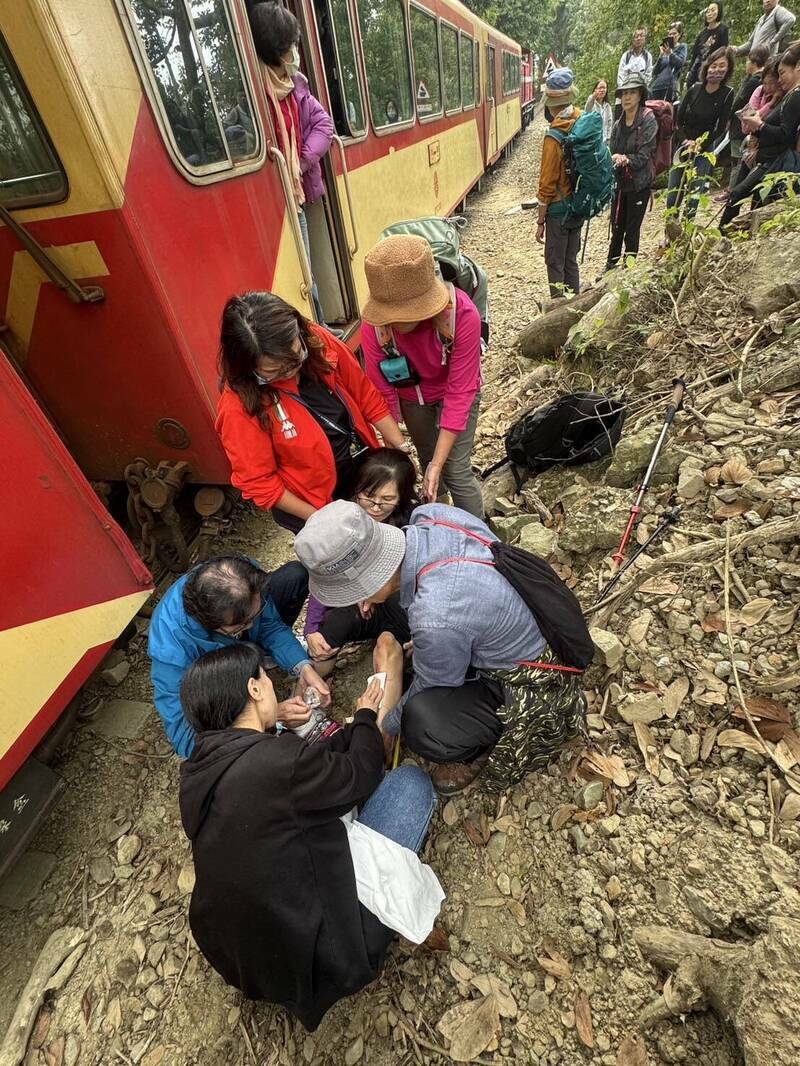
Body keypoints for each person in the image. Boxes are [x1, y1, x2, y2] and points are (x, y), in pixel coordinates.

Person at [179, 639, 440, 1030]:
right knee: (411, 785)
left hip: (246, 961)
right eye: (265, 679)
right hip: (323, 953)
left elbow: (302, 773)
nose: (269, 686)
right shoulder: (275, 762)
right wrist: (366, 717)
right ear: (254, 689)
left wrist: (289, 727)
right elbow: (359, 774)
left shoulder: (196, 775)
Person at [295, 501, 588, 796]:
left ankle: (478, 748)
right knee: (393, 620)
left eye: (355, 591)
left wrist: (384, 724)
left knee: (422, 722)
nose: (356, 599)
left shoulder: (437, 615)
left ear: (376, 578)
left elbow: (434, 681)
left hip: (531, 675)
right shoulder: (431, 516)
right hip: (514, 613)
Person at [216, 291, 405, 533]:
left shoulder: (315, 341)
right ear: (247, 366)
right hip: (312, 503)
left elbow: (365, 394)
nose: (290, 372)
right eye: (274, 370)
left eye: (296, 358)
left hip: (359, 471)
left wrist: (400, 451)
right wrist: (322, 518)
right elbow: (260, 482)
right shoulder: (238, 406)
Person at [148, 555, 331, 758]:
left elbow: (269, 625)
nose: (252, 626)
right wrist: (266, 716)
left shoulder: (243, 579)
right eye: (241, 625)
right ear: (211, 625)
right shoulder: (172, 649)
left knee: (294, 575)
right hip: (216, 667)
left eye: (255, 614)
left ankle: (265, 656)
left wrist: (302, 666)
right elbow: (186, 738)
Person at [360, 235, 484, 518]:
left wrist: (438, 464)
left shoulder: (462, 315)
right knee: (426, 459)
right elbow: (380, 388)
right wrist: (398, 446)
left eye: (408, 313)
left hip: (454, 393)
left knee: (454, 469)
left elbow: (460, 391)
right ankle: (440, 524)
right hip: (411, 397)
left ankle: (483, 539)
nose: (398, 322)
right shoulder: (375, 325)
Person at [249, 2, 335, 328]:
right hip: (271, 196)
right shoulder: (251, 88)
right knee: (293, 276)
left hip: (293, 193)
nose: (296, 52)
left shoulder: (295, 87)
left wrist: (301, 161)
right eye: (291, 45)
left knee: (305, 271)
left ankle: (320, 330)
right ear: (275, 49)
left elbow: (324, 126)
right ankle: (316, 333)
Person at [305, 448, 418, 672]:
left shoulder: (415, 525)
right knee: (331, 629)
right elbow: (325, 576)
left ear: (402, 496)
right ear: (355, 489)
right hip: (365, 610)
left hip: (407, 609)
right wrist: (311, 629)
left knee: (388, 646)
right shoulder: (343, 523)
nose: (375, 507)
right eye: (368, 496)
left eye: (387, 499)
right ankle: (312, 692)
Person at [721, 41, 800, 224]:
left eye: (782, 73)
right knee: (748, 197)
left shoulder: (795, 97)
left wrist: (760, 125)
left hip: (775, 162)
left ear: (797, 67)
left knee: (741, 195)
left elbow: (785, 134)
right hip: (766, 157)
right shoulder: (789, 96)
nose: (780, 80)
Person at [665, 47, 735, 227]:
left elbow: (720, 127)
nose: (717, 69)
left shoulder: (727, 93)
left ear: (728, 69)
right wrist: (685, 140)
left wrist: (700, 143)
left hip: (705, 148)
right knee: (674, 192)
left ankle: (687, 231)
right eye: (714, 65)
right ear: (707, 66)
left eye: (722, 66)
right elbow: (678, 119)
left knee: (695, 193)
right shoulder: (695, 88)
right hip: (683, 144)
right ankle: (669, 231)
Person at [536, 68, 583, 299]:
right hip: (579, 205)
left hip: (558, 210)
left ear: (552, 104)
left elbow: (546, 184)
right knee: (571, 261)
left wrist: (540, 220)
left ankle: (558, 315)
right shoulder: (581, 121)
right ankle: (576, 309)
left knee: (555, 263)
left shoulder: (554, 137)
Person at [604, 73, 658, 271]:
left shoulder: (648, 120)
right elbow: (612, 147)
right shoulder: (619, 123)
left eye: (632, 93)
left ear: (640, 95)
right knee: (617, 224)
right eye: (624, 93)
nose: (627, 97)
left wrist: (626, 159)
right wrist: (615, 157)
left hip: (639, 183)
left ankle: (629, 268)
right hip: (621, 182)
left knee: (632, 228)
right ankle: (610, 266)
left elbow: (645, 153)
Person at [727, 44, 772, 169]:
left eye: (748, 60)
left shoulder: (753, 81)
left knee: (737, 159)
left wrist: (728, 116)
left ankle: (733, 186)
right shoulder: (760, 79)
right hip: (753, 127)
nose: (746, 63)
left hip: (742, 125)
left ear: (754, 62)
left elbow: (739, 102)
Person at [686, 3, 730, 87]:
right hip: (698, 68)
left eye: (713, 10)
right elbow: (695, 55)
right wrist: (689, 71)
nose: (710, 13)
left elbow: (723, 51)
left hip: (712, 69)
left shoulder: (723, 29)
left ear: (719, 12)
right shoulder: (702, 33)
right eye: (708, 11)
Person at [650, 22, 688, 101]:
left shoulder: (682, 47)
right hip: (657, 86)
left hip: (669, 86)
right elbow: (655, 72)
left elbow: (679, 63)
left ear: (679, 34)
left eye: (674, 33)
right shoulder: (665, 50)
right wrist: (661, 55)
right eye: (670, 34)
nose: (672, 36)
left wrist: (670, 53)